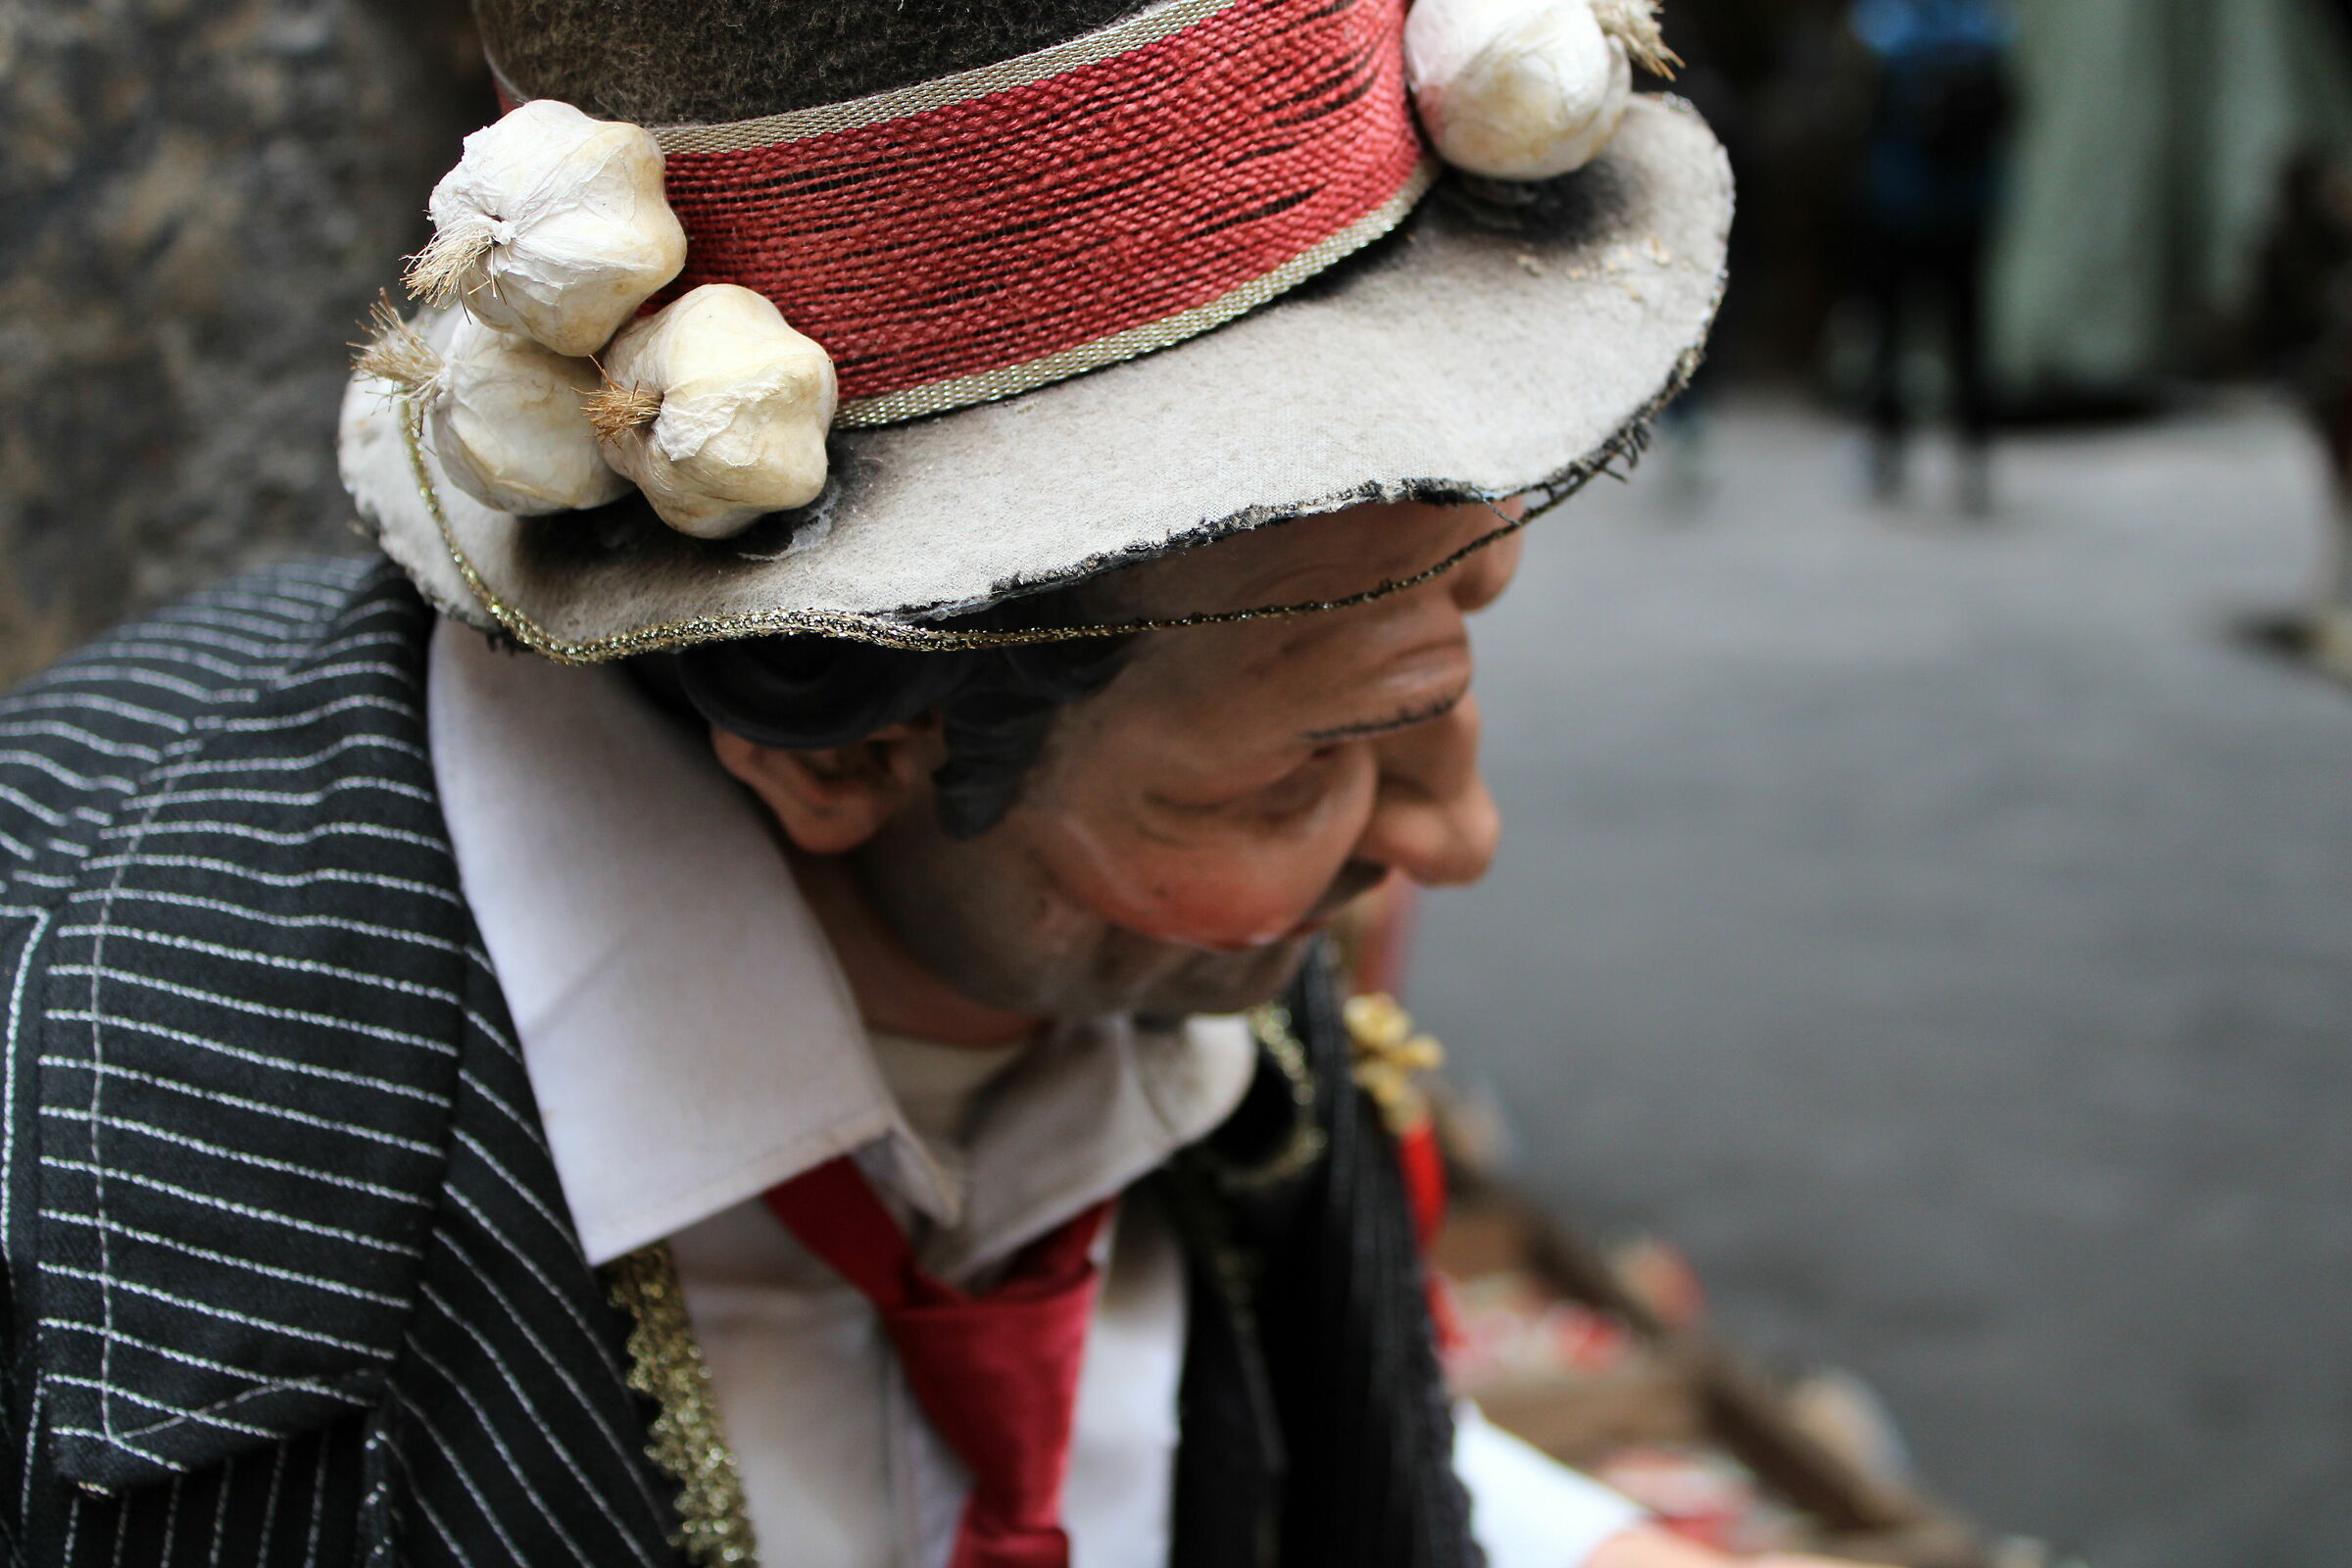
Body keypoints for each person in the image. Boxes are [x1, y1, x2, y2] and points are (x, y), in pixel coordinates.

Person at [0, 1, 1843, 1563]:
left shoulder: (1155, 950)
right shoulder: (107, 1247)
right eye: (1314, 767)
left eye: (1465, 627)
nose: (1458, 836)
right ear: (851, 741)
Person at [1848, 0, 2014, 513]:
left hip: (1896, 202)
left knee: (1889, 332)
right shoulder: (1987, 28)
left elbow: (1860, 116)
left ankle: (1886, 450)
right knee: (1968, 335)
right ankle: (1975, 456)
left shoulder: (1885, 28)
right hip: (1969, 208)